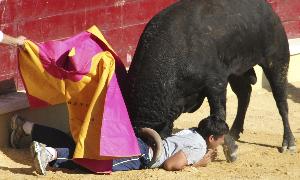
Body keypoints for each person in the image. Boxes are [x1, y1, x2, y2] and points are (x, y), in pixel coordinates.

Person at [10, 114, 229, 175]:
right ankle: (49, 153)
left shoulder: (192, 131)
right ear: (211, 138)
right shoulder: (200, 147)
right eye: (220, 140)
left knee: (76, 143)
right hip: (141, 154)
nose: (220, 145)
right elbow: (171, 165)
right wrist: (198, 164)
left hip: (139, 142)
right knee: (93, 162)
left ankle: (26, 126)